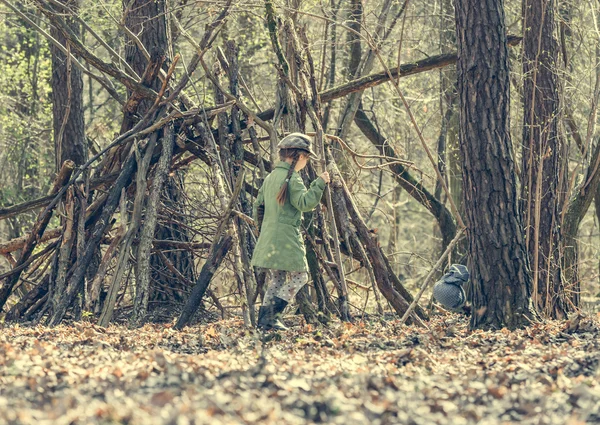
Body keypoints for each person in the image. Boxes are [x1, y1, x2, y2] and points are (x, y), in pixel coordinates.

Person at [251, 133, 330, 330]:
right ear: (300, 156)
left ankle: (264, 320)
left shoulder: (270, 177)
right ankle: (273, 315)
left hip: (269, 235)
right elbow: (305, 203)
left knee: (277, 277)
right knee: (301, 276)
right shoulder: (292, 179)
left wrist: (264, 228)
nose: (307, 162)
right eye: (307, 157)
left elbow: (257, 206)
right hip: (287, 237)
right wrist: (320, 183)